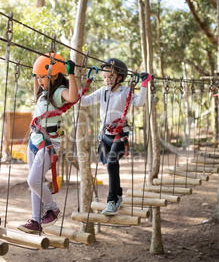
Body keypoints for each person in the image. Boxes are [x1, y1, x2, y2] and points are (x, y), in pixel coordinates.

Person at [80, 58, 151, 215]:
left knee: (112, 164)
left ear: (119, 76)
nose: (106, 80)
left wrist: (144, 84)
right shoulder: (102, 91)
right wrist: (79, 87)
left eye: (110, 77)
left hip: (120, 135)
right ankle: (118, 195)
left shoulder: (126, 91)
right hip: (105, 136)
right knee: (111, 165)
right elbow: (84, 102)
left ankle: (112, 201)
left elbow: (139, 103)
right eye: (104, 77)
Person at [17, 53, 78, 233]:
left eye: (43, 76)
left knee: (33, 180)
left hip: (48, 143)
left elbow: (73, 97)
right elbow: (37, 86)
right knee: (35, 183)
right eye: (38, 77)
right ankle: (36, 220)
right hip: (33, 141)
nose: (39, 80)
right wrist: (35, 71)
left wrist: (71, 73)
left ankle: (52, 208)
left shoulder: (59, 92)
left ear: (55, 75)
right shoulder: (43, 93)